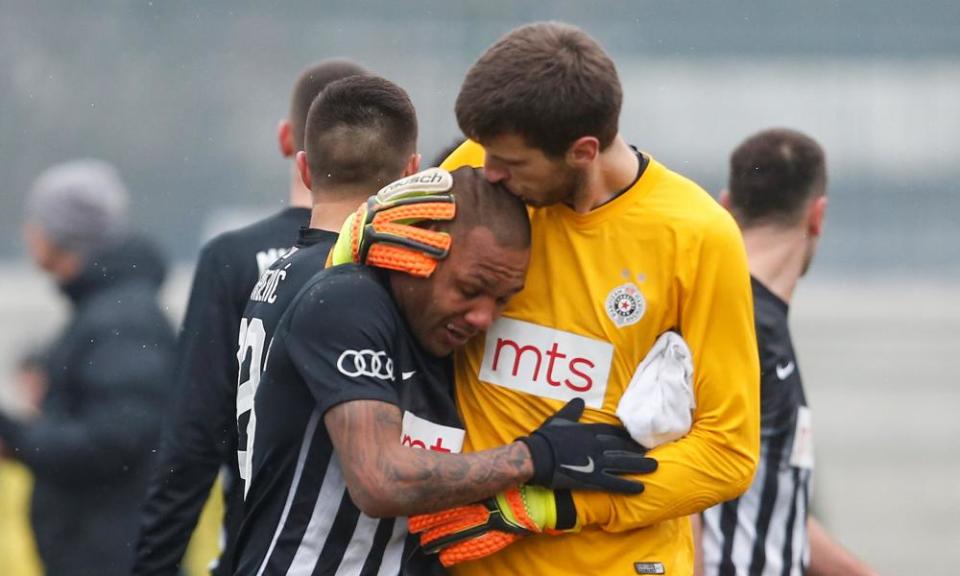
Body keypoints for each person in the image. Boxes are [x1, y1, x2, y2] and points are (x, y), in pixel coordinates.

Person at [233, 73, 655, 575]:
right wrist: (532, 459)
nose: (484, 317)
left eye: (502, 299)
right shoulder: (347, 300)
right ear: (422, 249)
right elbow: (380, 480)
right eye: (469, 289)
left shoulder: (452, 339)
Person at [423, 21, 761, 574]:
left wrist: (556, 507)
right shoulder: (471, 172)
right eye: (484, 153)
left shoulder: (698, 235)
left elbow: (727, 453)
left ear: (582, 152)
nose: (488, 174)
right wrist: (357, 239)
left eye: (512, 163)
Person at [133, 59, 370, 576]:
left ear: (290, 141)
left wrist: (155, 563)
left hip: (257, 551)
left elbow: (193, 436)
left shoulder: (233, 258)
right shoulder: (404, 266)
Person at [695, 128, 876, 576]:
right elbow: (681, 498)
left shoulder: (759, 322)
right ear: (817, 216)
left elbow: (768, 498)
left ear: (724, 206)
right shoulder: (738, 324)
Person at [0, 160, 176, 576]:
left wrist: (17, 436)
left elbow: (117, 437)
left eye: (36, 219)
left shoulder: (120, 317)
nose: (28, 231)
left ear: (60, 233)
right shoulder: (110, 309)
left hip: (111, 558)